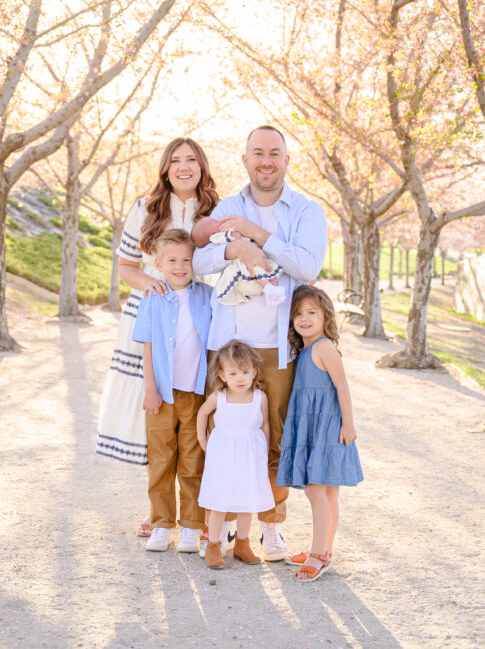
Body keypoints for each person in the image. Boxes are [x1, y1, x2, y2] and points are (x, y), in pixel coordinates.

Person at [193, 125, 327, 561]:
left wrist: (258, 234)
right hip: (228, 345)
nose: (266, 161)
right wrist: (235, 250)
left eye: (274, 153)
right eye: (257, 153)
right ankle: (226, 526)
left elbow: (308, 266)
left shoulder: (306, 210)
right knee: (226, 435)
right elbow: (199, 259)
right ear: (245, 160)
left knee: (274, 438)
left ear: (286, 160)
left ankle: (271, 527)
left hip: (278, 345)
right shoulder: (227, 208)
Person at [94, 138, 219, 538]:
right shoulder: (145, 208)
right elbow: (127, 267)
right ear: (165, 168)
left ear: (201, 166)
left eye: (191, 160)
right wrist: (151, 284)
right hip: (151, 311)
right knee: (157, 412)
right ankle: (158, 511)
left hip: (199, 313)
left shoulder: (216, 209)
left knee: (198, 412)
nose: (184, 167)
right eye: (175, 160)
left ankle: (201, 513)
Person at [132, 229, 213, 553]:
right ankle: (161, 525)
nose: (180, 266)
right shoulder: (152, 298)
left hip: (195, 395)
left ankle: (191, 527)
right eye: (172, 260)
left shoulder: (207, 296)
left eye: (186, 260)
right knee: (161, 460)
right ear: (158, 264)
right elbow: (148, 346)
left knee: (193, 462)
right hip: (162, 395)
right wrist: (150, 390)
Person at [276, 284, 363, 582]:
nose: (304, 318)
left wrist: (348, 424)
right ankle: (324, 551)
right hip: (313, 427)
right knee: (328, 493)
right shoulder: (304, 351)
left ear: (326, 316)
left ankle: (317, 554)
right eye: (298, 314)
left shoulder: (324, 347)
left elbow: (342, 386)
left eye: (312, 312)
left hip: (327, 428)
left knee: (316, 491)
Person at [196, 340, 275, 569]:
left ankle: (242, 544)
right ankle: (213, 545)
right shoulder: (219, 397)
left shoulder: (259, 397)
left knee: (246, 502)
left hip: (250, 456)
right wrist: (203, 439)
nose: (240, 378)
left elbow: (265, 424)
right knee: (219, 502)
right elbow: (202, 414)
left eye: (245, 372)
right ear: (222, 375)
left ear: (254, 372)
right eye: (233, 373)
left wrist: (264, 451)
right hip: (223, 456)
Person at [191, 216, 285, 307]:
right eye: (215, 221)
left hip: (254, 253)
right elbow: (234, 236)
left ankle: (274, 289)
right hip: (244, 261)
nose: (220, 221)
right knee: (257, 269)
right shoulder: (216, 237)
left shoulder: (219, 230)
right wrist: (234, 233)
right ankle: (268, 289)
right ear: (212, 233)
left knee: (268, 267)